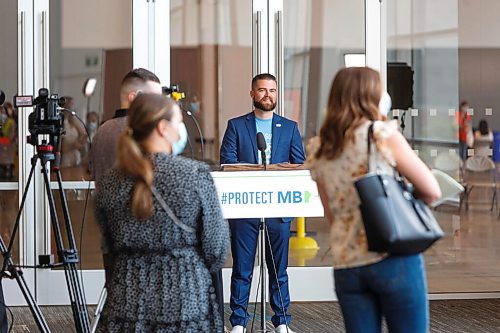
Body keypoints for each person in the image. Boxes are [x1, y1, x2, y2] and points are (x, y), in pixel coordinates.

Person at [306, 67, 441, 333]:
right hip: (391, 255)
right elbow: (432, 190)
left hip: (348, 263)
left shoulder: (320, 147)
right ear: (374, 96)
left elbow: (331, 214)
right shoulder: (381, 134)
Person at [95, 93, 229, 333]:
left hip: (126, 299)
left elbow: (109, 247)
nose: (181, 130)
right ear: (162, 127)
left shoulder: (110, 181)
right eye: (178, 122)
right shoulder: (194, 175)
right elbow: (216, 250)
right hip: (184, 300)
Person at [220, 73, 305, 333]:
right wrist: (264, 168)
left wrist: (266, 169)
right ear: (252, 94)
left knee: (279, 270)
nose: (268, 95)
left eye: (272, 90)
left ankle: (281, 321)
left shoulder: (289, 127)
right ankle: (238, 322)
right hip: (245, 208)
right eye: (262, 90)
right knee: (242, 269)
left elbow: (299, 165)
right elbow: (226, 164)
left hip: (278, 209)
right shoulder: (236, 125)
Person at [90, 68, 162, 184]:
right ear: (133, 97)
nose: (159, 104)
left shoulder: (102, 131)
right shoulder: (143, 129)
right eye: (154, 98)